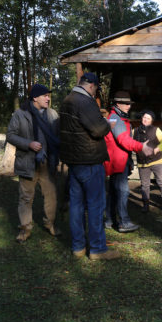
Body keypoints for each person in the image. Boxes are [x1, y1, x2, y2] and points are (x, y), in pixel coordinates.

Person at [59, 73, 120, 260]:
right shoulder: (85, 102)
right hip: (90, 161)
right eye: (96, 89)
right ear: (92, 86)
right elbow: (98, 129)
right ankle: (97, 249)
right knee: (95, 205)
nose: (95, 93)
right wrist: (108, 125)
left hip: (74, 161)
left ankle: (78, 247)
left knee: (76, 206)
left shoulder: (67, 100)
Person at [6, 83, 61, 243]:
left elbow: (58, 136)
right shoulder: (20, 114)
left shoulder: (52, 114)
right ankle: (25, 229)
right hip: (28, 161)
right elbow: (10, 135)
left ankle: (50, 224)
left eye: (48, 96)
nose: (48, 98)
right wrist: (28, 144)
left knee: (51, 196)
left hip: (47, 163)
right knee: (26, 198)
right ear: (35, 98)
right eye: (45, 96)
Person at [104, 90, 153, 233]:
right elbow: (123, 140)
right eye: (125, 104)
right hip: (118, 162)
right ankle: (124, 222)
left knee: (114, 192)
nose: (129, 106)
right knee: (123, 191)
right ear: (117, 104)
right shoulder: (116, 119)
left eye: (129, 104)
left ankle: (109, 220)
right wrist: (141, 146)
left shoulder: (115, 118)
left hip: (118, 160)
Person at [133, 110, 162, 213]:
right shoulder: (135, 131)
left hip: (157, 161)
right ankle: (146, 204)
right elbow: (130, 143)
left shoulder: (156, 130)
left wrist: (158, 148)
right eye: (144, 117)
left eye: (148, 118)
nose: (145, 119)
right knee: (145, 184)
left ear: (151, 120)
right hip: (142, 162)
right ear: (141, 118)